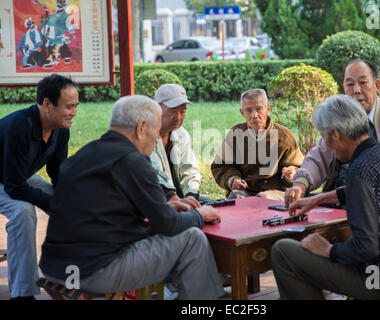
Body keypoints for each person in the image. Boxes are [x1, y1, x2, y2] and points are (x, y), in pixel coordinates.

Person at [39, 95, 224, 300]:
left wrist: (165, 209)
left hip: (54, 267)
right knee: (192, 239)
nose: (155, 141)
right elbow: (168, 226)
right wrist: (200, 214)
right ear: (141, 127)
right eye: (155, 134)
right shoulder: (133, 161)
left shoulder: (83, 154)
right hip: (92, 272)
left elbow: (105, 209)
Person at [271, 94, 380, 300]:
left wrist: (328, 250)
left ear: (336, 135)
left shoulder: (360, 169)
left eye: (324, 138)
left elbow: (365, 248)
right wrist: (317, 199)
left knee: (283, 251)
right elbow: (364, 189)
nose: (327, 146)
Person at [285, 59, 380, 206]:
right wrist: (300, 184)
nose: (356, 90)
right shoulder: (339, 118)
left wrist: (330, 197)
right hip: (339, 198)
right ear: (344, 88)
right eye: (350, 84)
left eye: (363, 83)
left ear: (377, 85)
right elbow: (319, 157)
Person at [0, 74, 78, 300]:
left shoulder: (61, 129)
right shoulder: (19, 127)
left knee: (72, 207)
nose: (74, 112)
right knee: (23, 212)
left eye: (76, 106)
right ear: (47, 104)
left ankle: (70, 282)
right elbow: (15, 188)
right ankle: (23, 294)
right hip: (10, 179)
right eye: (68, 106)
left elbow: (57, 172)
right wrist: (52, 204)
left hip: (15, 176)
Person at [211, 88, 303, 201]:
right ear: (242, 112)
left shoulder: (284, 136)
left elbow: (300, 168)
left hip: (277, 192)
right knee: (236, 197)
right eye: (249, 110)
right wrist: (232, 180)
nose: (254, 115)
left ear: (268, 109)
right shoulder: (235, 133)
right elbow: (221, 166)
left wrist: (290, 175)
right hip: (245, 191)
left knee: (262, 198)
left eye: (259, 109)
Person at [150, 83, 207, 210]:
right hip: (156, 200)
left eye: (183, 111)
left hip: (180, 197)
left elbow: (190, 170)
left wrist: (191, 195)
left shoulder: (181, 134)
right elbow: (152, 173)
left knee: (213, 206)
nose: (178, 117)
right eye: (172, 111)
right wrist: (172, 197)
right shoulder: (145, 135)